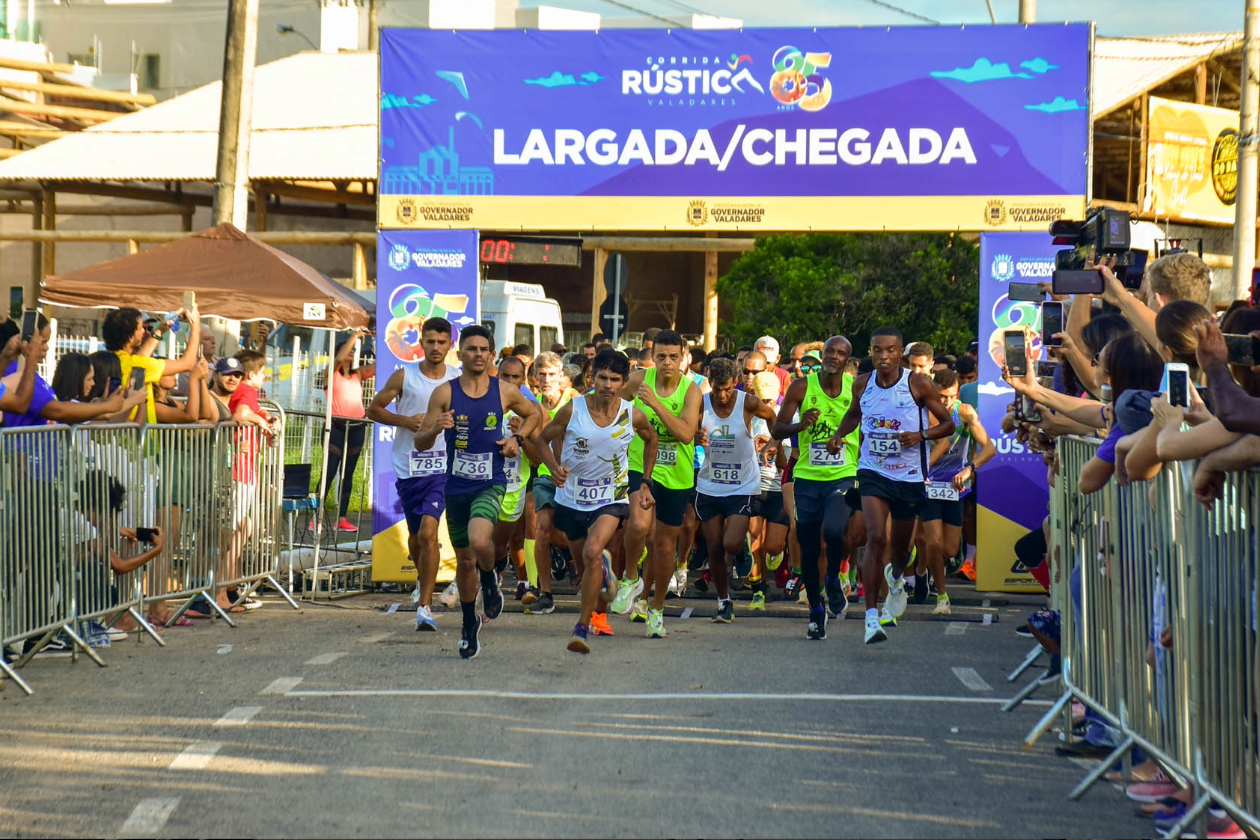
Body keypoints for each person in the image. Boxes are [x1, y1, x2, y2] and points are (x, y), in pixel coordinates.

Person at [413, 325, 542, 659]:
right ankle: (470, 625)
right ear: (462, 354)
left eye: (484, 349)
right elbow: (420, 440)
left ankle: (490, 581)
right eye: (472, 349)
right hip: (456, 485)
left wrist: (518, 439)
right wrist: (436, 429)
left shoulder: (504, 391)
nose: (479, 355)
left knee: (480, 540)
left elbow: (534, 413)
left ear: (492, 354)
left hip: (491, 481)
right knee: (465, 560)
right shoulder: (444, 393)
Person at [831, 326, 956, 645]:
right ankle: (871, 617)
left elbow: (948, 424)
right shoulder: (863, 383)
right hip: (872, 471)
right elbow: (853, 416)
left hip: (909, 476)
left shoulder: (917, 384)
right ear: (870, 352)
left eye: (890, 350)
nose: (883, 356)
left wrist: (921, 436)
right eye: (877, 350)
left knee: (901, 550)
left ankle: (896, 577)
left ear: (901, 353)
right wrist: (838, 436)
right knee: (876, 537)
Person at [541, 349, 659, 654]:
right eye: (602, 378)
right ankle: (605, 574)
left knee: (594, 550)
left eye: (614, 379)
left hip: (611, 496)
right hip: (571, 497)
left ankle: (582, 626)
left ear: (623, 382)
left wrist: (645, 481)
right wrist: (555, 467)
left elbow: (651, 439)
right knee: (584, 568)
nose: (607, 384)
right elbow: (541, 438)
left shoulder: (631, 414)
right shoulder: (573, 410)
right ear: (591, 378)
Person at [366, 317, 460, 633]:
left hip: (444, 467)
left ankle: (425, 607)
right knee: (418, 538)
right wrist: (406, 421)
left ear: (450, 345)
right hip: (410, 465)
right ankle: (422, 578)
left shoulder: (458, 379)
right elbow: (373, 409)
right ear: (421, 343)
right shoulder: (405, 376)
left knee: (430, 533)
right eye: (430, 341)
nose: (436, 348)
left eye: (441, 342)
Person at [609, 329, 702, 639]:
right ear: (652, 357)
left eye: (673, 357)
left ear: (684, 358)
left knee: (664, 548)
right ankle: (631, 578)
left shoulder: (691, 391)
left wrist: (656, 406)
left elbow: (686, 434)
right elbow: (611, 408)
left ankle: (657, 609)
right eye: (660, 356)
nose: (666, 363)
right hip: (640, 463)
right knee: (637, 525)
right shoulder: (638, 380)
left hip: (676, 473)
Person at [773, 336, 862, 639]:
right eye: (829, 352)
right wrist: (800, 426)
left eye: (840, 353)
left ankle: (835, 577)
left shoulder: (856, 388)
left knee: (835, 531)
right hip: (808, 476)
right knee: (809, 547)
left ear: (848, 359)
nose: (833, 357)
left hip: (843, 473)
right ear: (822, 355)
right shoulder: (802, 386)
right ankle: (815, 610)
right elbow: (777, 428)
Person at [693, 357, 778, 623]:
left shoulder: (748, 403)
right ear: (710, 382)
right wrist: (695, 436)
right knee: (715, 548)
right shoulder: (700, 404)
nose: (722, 394)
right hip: (710, 483)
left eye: (727, 388)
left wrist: (774, 441)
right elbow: (687, 431)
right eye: (717, 387)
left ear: (736, 383)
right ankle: (723, 602)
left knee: (731, 542)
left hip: (742, 483)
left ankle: (740, 548)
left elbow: (774, 417)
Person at [921, 369, 995, 615]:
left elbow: (989, 448)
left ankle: (926, 568)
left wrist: (969, 469)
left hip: (955, 486)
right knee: (933, 541)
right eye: (942, 397)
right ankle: (942, 597)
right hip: (928, 483)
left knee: (950, 550)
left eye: (952, 396)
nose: (947, 402)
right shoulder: (921, 411)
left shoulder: (964, 412)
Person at [520, 351, 579, 615]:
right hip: (546, 474)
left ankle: (577, 565)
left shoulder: (576, 400)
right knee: (539, 525)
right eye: (541, 374)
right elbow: (535, 454)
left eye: (552, 374)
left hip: (578, 476)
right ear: (534, 377)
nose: (546, 379)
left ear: (563, 378)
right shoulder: (531, 407)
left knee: (569, 535)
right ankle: (542, 591)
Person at [101, 305, 202, 425]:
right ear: (130, 336)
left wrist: (160, 330)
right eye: (140, 328)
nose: (145, 332)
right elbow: (187, 363)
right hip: (136, 438)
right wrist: (196, 326)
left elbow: (141, 357)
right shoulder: (136, 363)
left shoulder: (112, 360)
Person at [747, 370, 790, 610]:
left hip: (778, 488)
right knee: (753, 540)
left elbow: (787, 463)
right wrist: (751, 445)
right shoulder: (746, 419)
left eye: (770, 400)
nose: (766, 404)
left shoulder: (787, 420)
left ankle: (777, 555)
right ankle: (758, 590)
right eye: (762, 399)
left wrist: (775, 445)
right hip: (753, 487)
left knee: (772, 546)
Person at [325, 330, 375, 532]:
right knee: (329, 473)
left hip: (356, 428)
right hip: (336, 428)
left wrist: (380, 339)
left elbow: (379, 366)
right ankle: (317, 516)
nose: (351, 354)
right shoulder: (331, 373)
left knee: (348, 475)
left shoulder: (358, 374)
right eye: (348, 351)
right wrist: (354, 337)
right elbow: (338, 358)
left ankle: (342, 517)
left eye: (353, 351)